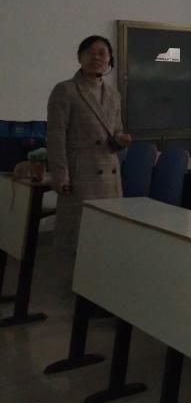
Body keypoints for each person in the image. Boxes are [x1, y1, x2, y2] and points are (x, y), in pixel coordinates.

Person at [47, 35, 131, 261]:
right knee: (80, 237)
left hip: (110, 173)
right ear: (80, 57)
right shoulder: (65, 90)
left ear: (110, 58)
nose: (96, 58)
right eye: (89, 52)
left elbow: (115, 131)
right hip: (81, 174)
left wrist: (120, 140)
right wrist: (60, 176)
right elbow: (56, 137)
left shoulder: (114, 94)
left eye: (102, 53)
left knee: (107, 237)